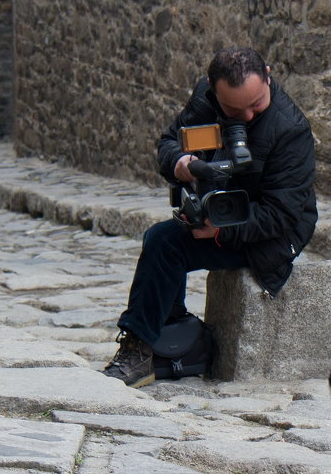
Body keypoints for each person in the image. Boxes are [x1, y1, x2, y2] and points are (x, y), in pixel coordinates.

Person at [102, 47, 318, 387]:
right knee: (160, 241)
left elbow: (282, 215)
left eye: (257, 104)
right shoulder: (205, 98)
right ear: (212, 89)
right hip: (217, 208)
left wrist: (220, 232)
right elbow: (169, 142)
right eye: (234, 108)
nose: (246, 116)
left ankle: (146, 345)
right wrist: (182, 165)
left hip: (270, 235)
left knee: (164, 243)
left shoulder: (291, 130)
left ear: (269, 75)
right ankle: (163, 337)